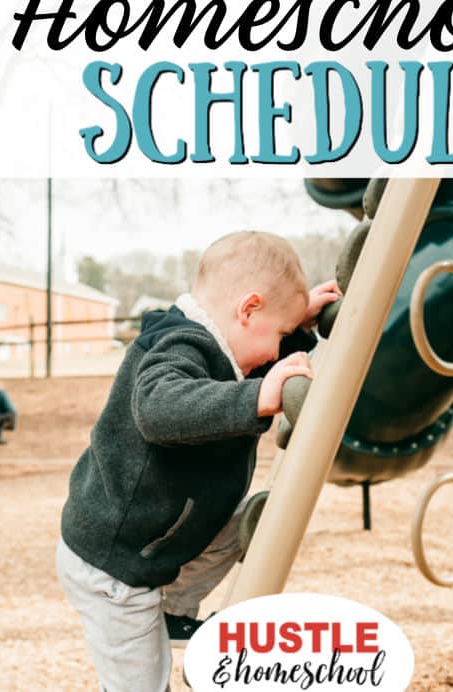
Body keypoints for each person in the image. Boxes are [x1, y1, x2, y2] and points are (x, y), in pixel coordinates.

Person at [56, 231, 339, 692]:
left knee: (248, 523)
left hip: (159, 536)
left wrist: (298, 324)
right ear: (247, 310)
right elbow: (157, 407)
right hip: (115, 568)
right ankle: (159, 625)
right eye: (280, 335)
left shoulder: (224, 344)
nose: (277, 351)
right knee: (142, 684)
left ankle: (172, 613)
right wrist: (259, 396)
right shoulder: (178, 346)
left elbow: (251, 363)